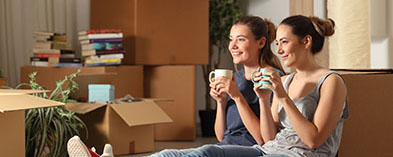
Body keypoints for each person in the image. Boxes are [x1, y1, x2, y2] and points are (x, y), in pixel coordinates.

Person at [176, 15, 349, 157]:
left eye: (285, 42)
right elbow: (269, 139)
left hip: (300, 155)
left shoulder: (331, 81)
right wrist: (264, 99)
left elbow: (313, 140)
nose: (279, 50)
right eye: (277, 43)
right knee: (206, 152)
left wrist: (282, 97)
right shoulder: (285, 81)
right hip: (268, 150)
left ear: (306, 41)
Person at [148, 15, 285, 157]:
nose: (232, 46)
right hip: (224, 146)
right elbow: (221, 137)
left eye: (241, 39)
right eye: (231, 39)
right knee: (166, 154)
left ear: (261, 43)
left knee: (205, 152)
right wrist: (221, 102)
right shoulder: (236, 78)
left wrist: (237, 96)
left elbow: (265, 141)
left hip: (252, 148)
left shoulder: (273, 78)